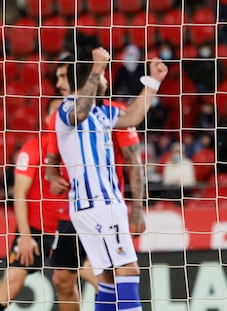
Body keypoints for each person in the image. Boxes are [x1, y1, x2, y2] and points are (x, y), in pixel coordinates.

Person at [48, 47, 167, 311]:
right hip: (96, 204)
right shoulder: (67, 110)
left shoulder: (102, 113)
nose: (105, 80)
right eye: (101, 76)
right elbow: (79, 113)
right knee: (128, 270)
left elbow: (132, 116)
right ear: (88, 75)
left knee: (108, 277)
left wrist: (153, 83)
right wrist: (97, 68)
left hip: (99, 205)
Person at [0, 99, 66, 310]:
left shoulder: (80, 150)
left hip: (70, 230)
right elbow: (19, 193)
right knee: (11, 282)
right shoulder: (33, 148)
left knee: (88, 281)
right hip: (36, 230)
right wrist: (26, 236)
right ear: (47, 119)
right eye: (55, 112)